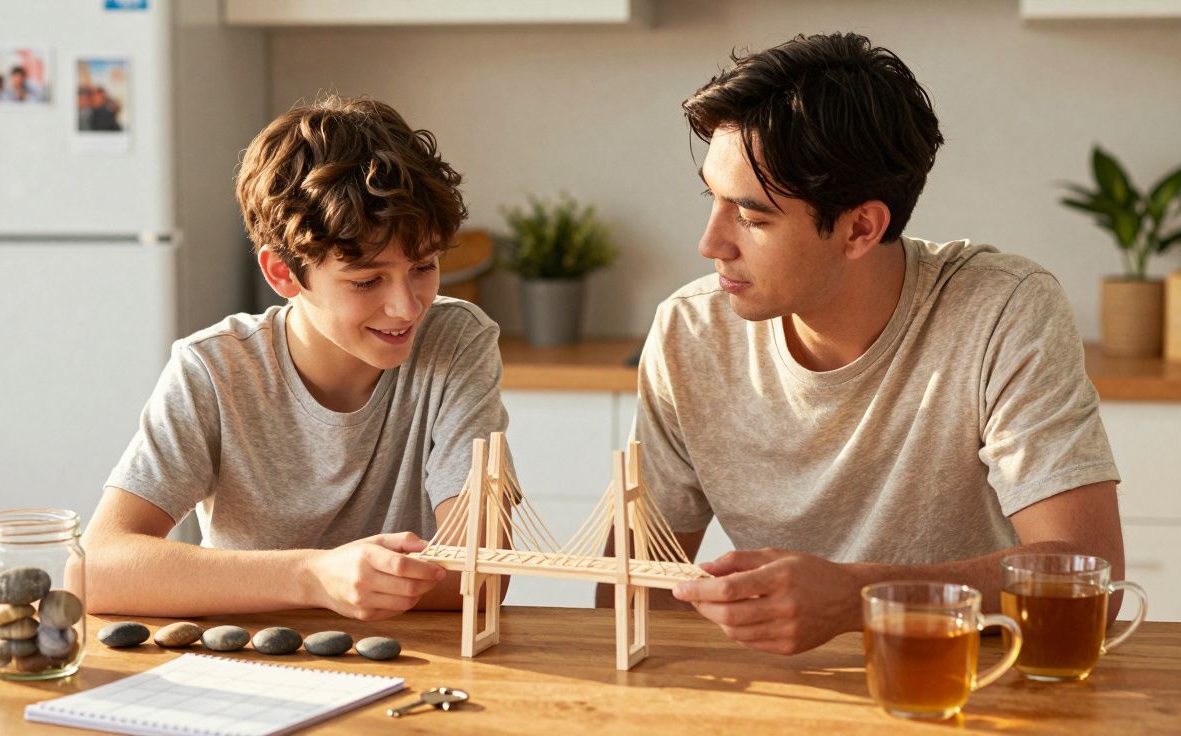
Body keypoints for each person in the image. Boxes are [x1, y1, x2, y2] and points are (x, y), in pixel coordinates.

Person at [602, 33, 1124, 655]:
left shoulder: (1001, 310)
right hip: (779, 691)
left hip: (966, 682)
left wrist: (856, 596)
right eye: (712, 199)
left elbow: (1090, 574)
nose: (710, 244)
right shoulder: (690, 331)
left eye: (752, 217)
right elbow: (631, 592)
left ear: (860, 228)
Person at [82, 96, 510, 620]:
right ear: (283, 273)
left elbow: (481, 574)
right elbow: (95, 569)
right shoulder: (214, 370)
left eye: (423, 267)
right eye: (367, 280)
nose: (406, 307)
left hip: (413, 659)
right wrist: (313, 577)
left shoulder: (456, 342)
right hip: (251, 663)